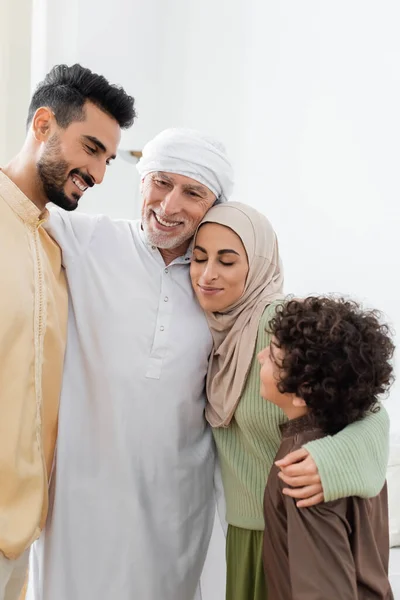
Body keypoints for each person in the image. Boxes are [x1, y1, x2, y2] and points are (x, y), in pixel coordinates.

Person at [28, 128, 234, 600]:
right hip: (80, 498)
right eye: (160, 182)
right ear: (140, 181)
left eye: (192, 192)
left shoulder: (220, 283)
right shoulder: (87, 238)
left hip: (177, 503)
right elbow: (16, 202)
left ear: (214, 205)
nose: (169, 205)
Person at [189, 201, 390, 600]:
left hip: (296, 518)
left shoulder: (276, 323)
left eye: (227, 261)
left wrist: (329, 461)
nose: (207, 274)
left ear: (259, 264)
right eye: (197, 258)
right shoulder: (205, 325)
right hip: (244, 528)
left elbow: (369, 408)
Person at [0, 63, 135, 600]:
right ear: (43, 124)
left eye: (107, 159)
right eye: (91, 148)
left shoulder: (59, 246)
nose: (99, 174)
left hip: (26, 531)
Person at [260, 296, 394, 599]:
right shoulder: (356, 456)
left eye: (271, 357)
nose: (259, 357)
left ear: (301, 391)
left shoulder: (305, 473)